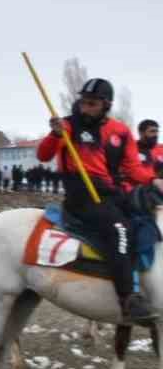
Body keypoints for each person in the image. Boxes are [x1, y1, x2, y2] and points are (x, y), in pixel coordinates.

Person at [37, 79, 163, 321]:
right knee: (120, 229)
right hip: (81, 195)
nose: (85, 107)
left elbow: (134, 169)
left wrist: (154, 181)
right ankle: (128, 298)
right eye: (83, 102)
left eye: (92, 103)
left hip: (111, 193)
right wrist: (55, 134)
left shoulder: (121, 131)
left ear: (106, 105)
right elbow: (44, 155)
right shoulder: (68, 125)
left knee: (146, 220)